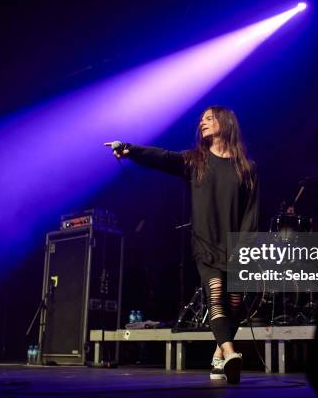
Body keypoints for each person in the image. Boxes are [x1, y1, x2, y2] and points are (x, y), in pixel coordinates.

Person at [105, 106, 259, 384]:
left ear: (225, 122)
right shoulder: (196, 161)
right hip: (205, 243)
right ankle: (231, 353)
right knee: (216, 297)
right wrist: (130, 149)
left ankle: (219, 356)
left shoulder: (246, 167)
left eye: (209, 119)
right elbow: (163, 158)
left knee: (235, 304)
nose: (203, 123)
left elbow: (251, 211)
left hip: (236, 246)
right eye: (201, 120)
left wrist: (246, 247)